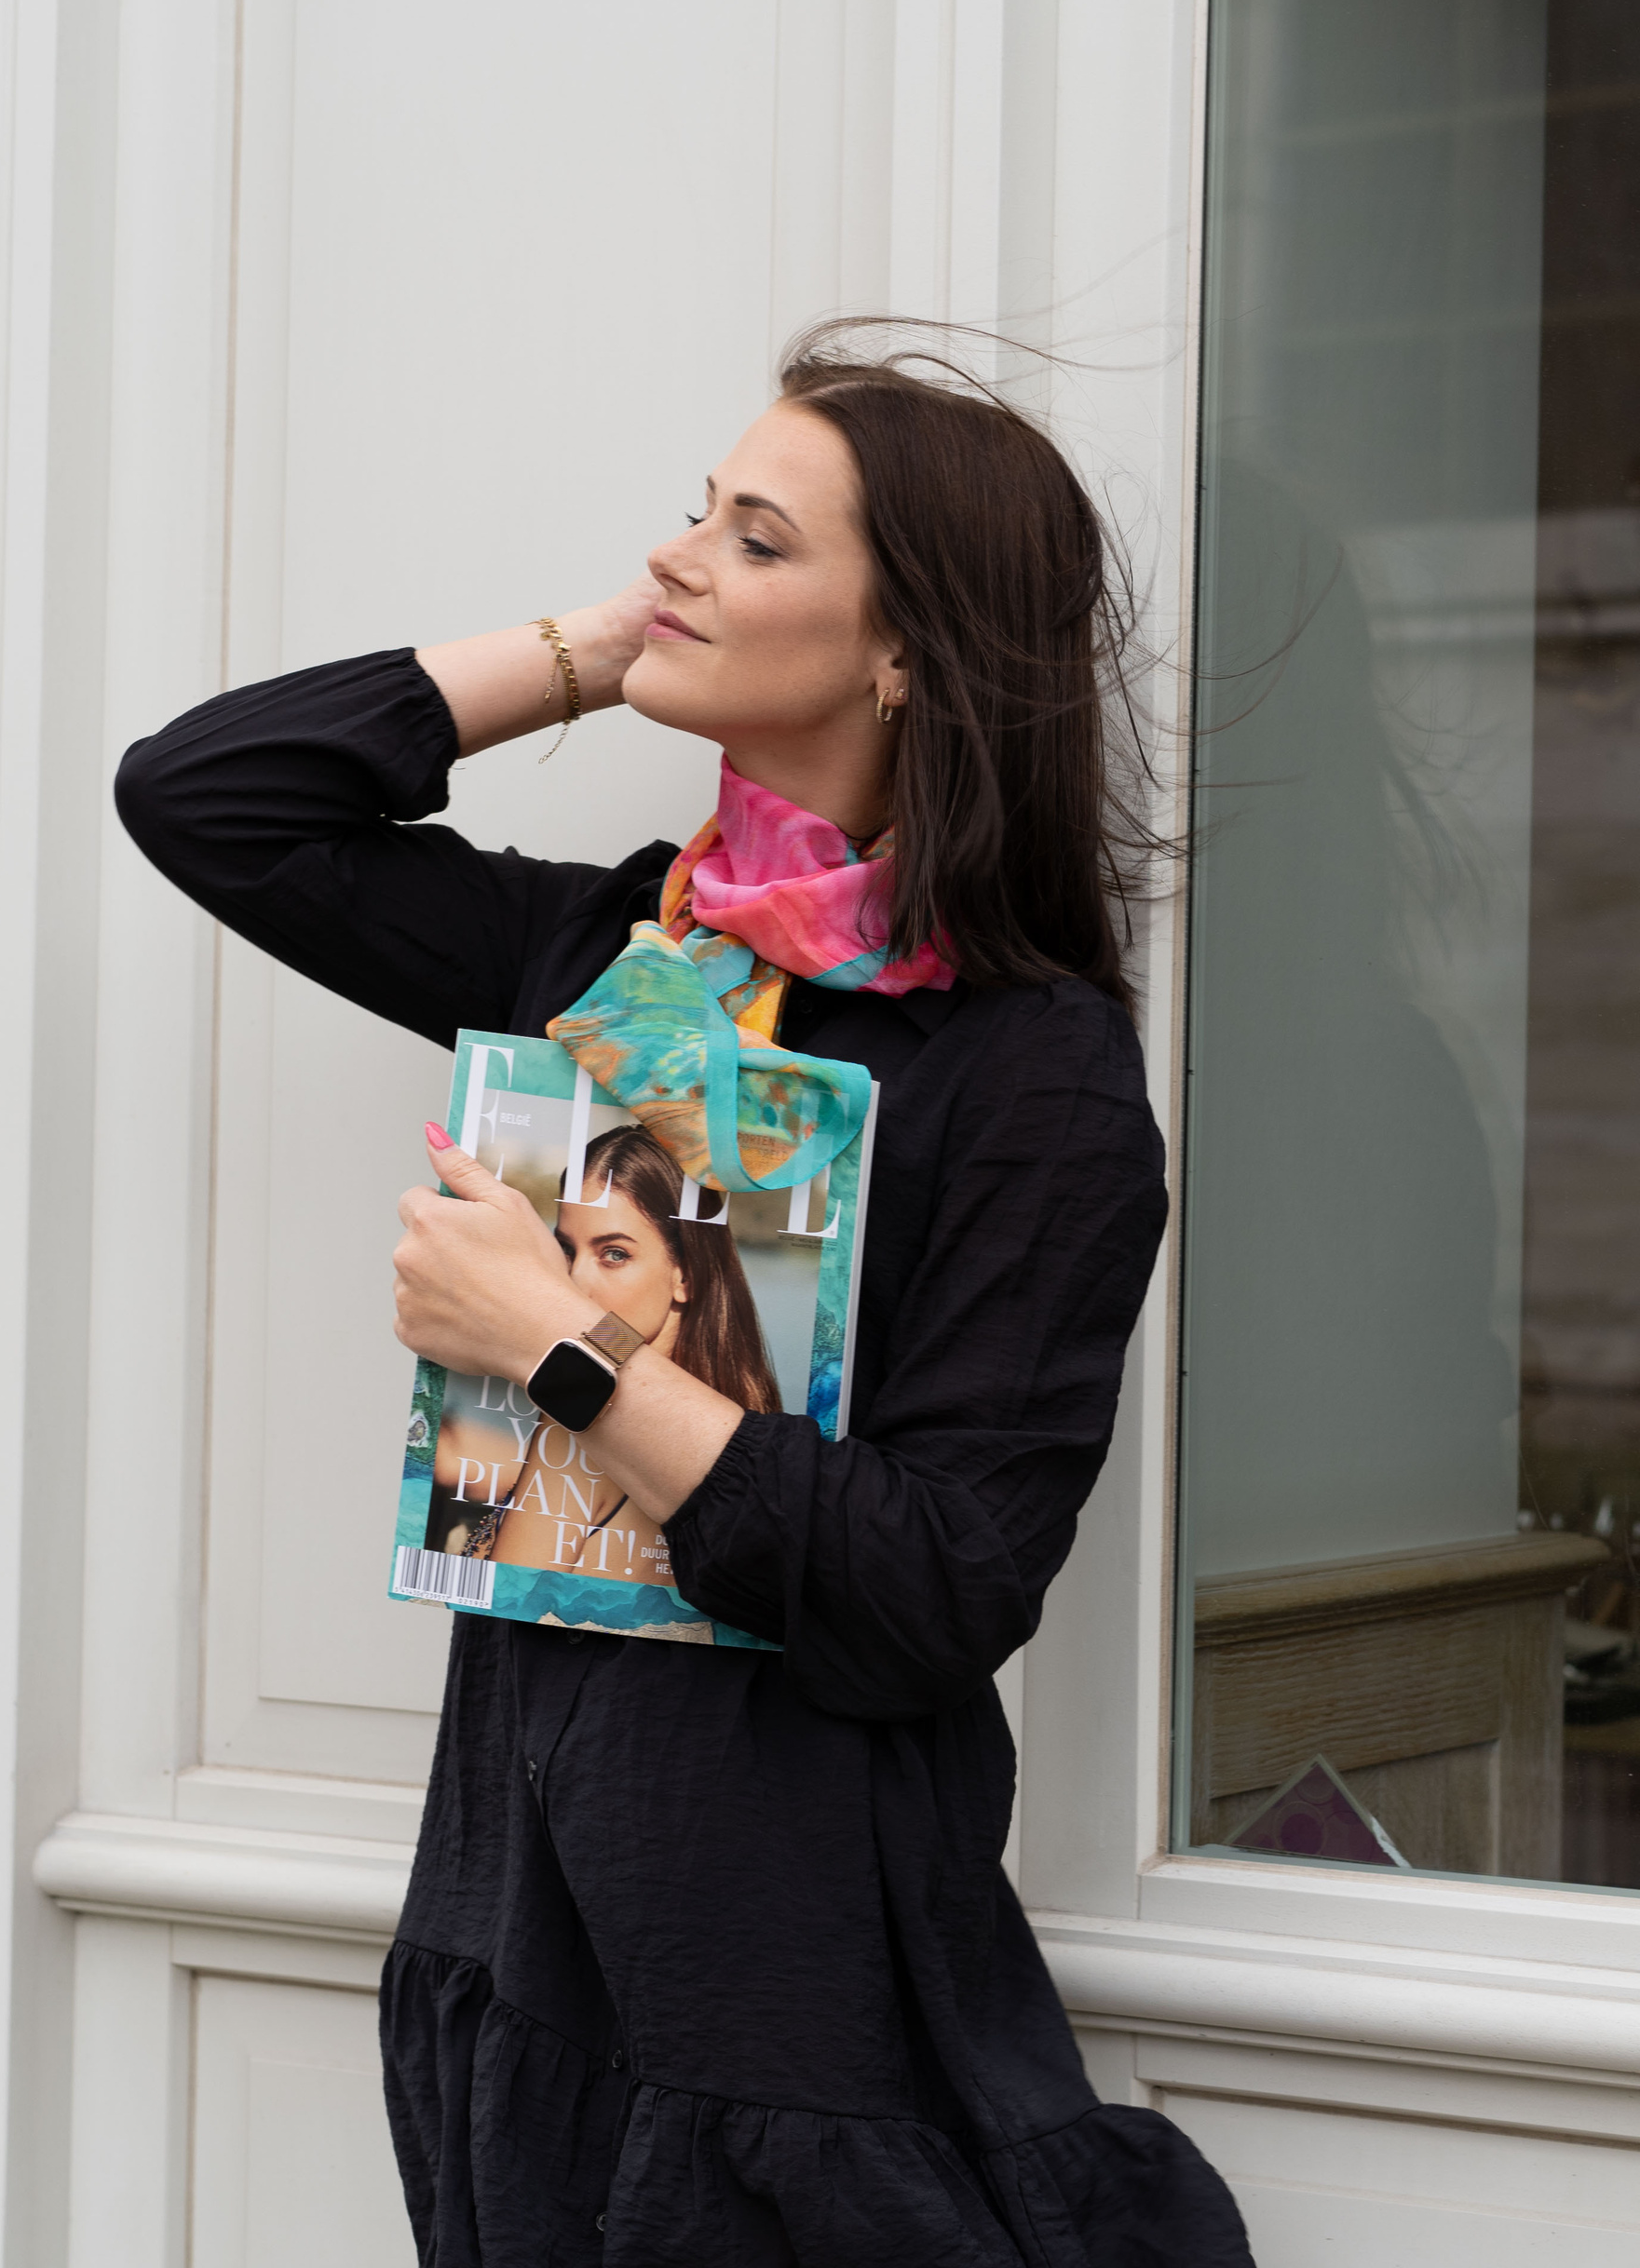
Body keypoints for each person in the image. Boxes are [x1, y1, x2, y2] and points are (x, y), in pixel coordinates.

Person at [115, 326, 1254, 2266]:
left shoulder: (1025, 1070)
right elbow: (205, 793)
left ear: (903, 648)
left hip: (777, 1978)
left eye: (753, 539)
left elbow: (934, 1589)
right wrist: (595, 644)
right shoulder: (609, 948)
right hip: (512, 1909)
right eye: (687, 515)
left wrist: (552, 1344)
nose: (682, 558)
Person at [441, 1122, 779, 1584]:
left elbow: (509, 1602)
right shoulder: (739, 1415)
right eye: (566, 1251)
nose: (576, 1284)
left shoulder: (588, 1420)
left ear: (687, 1274)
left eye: (614, 1254)